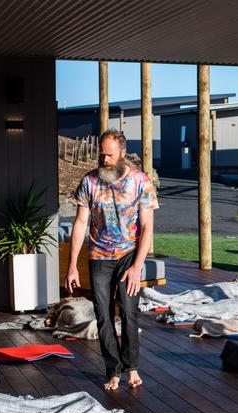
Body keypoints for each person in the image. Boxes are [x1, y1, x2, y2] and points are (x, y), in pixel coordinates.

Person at [65, 129, 158, 391]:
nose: (104, 159)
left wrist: (137, 267)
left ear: (122, 154)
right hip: (99, 255)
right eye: (101, 154)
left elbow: (147, 227)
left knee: (129, 311)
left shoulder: (141, 182)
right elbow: (81, 222)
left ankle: (132, 367)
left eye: (109, 155)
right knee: (103, 315)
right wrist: (72, 266)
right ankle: (113, 370)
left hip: (129, 254)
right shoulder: (89, 181)